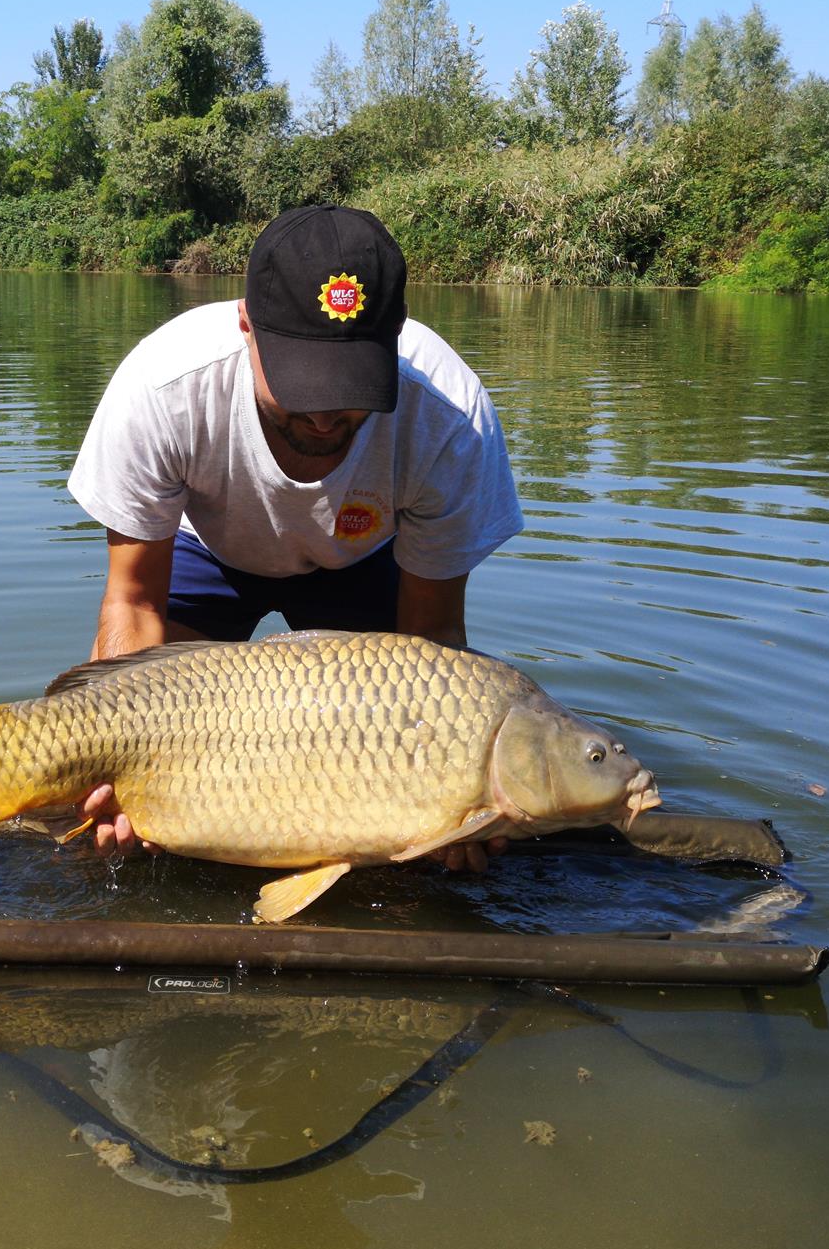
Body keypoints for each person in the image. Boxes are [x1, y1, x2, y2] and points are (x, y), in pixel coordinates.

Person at [65, 204, 525, 870]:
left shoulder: (451, 420)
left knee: (408, 788)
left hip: (363, 559)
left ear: (395, 336)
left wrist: (448, 793)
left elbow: (433, 638)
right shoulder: (164, 388)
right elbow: (132, 601)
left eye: (350, 387)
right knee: (128, 764)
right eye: (301, 383)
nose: (325, 416)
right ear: (246, 324)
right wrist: (110, 759)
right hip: (208, 549)